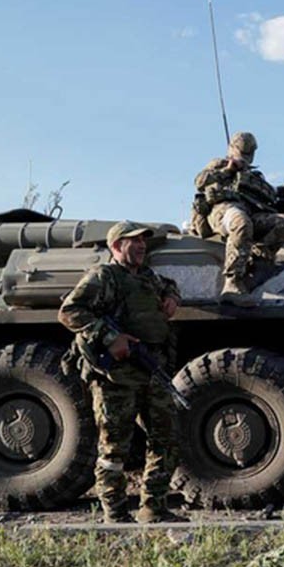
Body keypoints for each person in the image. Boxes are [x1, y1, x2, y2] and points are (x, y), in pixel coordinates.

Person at [58, 221, 184, 524]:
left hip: (150, 371)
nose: (141, 246)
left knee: (166, 439)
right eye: (134, 241)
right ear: (116, 246)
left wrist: (172, 297)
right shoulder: (103, 277)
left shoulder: (147, 277)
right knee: (114, 447)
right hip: (115, 376)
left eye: (143, 241)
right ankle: (115, 513)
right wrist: (110, 337)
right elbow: (70, 311)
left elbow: (168, 284)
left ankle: (153, 507)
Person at [191, 131, 284, 305]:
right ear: (231, 148)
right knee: (241, 222)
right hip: (223, 211)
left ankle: (255, 263)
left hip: (249, 212)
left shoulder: (253, 176)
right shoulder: (219, 164)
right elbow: (200, 181)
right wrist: (228, 170)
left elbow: (272, 193)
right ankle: (232, 283)